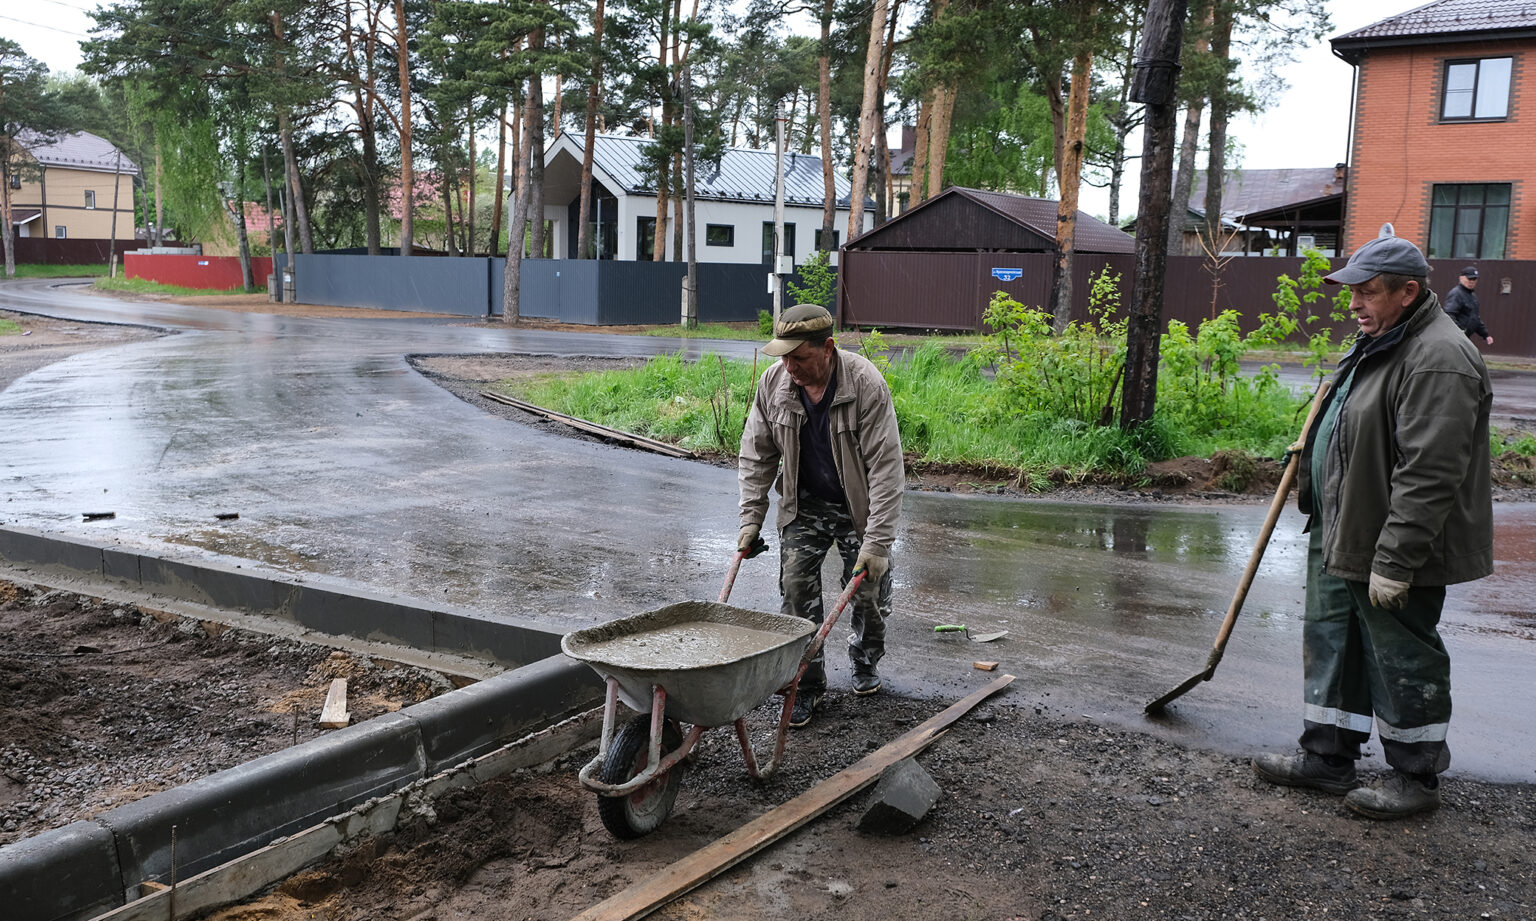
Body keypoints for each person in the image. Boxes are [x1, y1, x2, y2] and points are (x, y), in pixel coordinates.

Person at [1252, 225, 1493, 819]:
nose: (1353, 303)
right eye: (1351, 291)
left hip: (1392, 544)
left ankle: (1415, 777)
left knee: (1400, 654)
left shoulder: (1439, 357)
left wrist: (1395, 559)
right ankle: (1328, 757)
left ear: (1407, 292)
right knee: (1335, 642)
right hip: (1345, 530)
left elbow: (1429, 474)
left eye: (1367, 292)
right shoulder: (1380, 339)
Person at [737, 304, 904, 728]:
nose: (788, 366)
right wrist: (750, 521)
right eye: (783, 356)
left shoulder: (865, 384)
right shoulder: (774, 383)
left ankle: (865, 661)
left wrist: (878, 543)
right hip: (804, 504)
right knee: (794, 591)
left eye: (798, 357)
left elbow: (886, 467)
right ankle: (805, 686)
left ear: (827, 348)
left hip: (857, 508)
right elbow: (756, 455)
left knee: (868, 590)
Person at [1442, 264, 1493, 347]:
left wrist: (1485, 334)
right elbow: (1449, 315)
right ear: (1461, 278)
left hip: (1464, 338)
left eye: (1474, 279)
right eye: (1469, 278)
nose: (1472, 281)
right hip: (1455, 339)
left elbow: (1474, 318)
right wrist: (1459, 332)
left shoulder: (1472, 296)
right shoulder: (1456, 294)